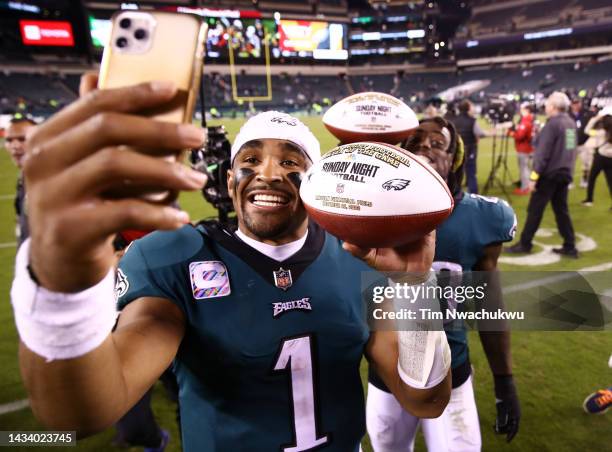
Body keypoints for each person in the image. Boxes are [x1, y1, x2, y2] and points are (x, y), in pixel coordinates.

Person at [11, 76, 451, 452]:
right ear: (228, 179)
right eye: (251, 160)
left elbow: (426, 400)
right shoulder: (177, 257)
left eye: (291, 161)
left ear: (318, 182)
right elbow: (80, 411)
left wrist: (413, 287)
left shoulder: (358, 258)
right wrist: (59, 284)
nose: (270, 174)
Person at [367, 117, 520, 451]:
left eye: (438, 143)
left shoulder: (480, 218)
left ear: (455, 160)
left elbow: (490, 308)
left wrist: (504, 380)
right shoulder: (370, 213)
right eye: (416, 142)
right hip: (386, 373)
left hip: (453, 370)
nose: (425, 147)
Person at [505, 91, 579, 258]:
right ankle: (570, 245)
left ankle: (525, 244)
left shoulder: (552, 124)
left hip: (549, 174)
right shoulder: (570, 122)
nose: (545, 107)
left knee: (535, 210)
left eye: (547, 104)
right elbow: (570, 149)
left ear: (553, 106)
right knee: (561, 211)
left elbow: (542, 154)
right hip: (564, 172)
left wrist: (533, 177)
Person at [4, 116, 37, 247]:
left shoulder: (51, 181)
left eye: (22, 139)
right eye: (9, 140)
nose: (15, 146)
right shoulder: (24, 176)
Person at [453, 100, 486, 194]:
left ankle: (455, 193)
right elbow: (480, 133)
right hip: (470, 149)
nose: (473, 108)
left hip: (457, 150)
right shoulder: (472, 120)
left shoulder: (454, 119)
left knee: (457, 172)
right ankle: (473, 194)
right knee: (471, 172)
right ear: (468, 108)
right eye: (471, 106)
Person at [581, 113, 612, 209]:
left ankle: (589, 199)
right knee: (610, 182)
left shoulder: (601, 132)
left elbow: (587, 130)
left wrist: (594, 119)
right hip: (610, 159)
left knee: (592, 178)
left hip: (600, 158)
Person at [508, 103, 534, 195]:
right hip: (530, 148)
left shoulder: (525, 121)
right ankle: (530, 186)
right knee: (529, 168)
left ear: (527, 110)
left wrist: (510, 133)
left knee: (524, 169)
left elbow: (519, 136)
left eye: (522, 109)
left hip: (524, 148)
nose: (520, 111)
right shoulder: (531, 120)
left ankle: (525, 188)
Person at [569, 99, 594, 188]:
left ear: (580, 103)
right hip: (571, 141)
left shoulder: (587, 113)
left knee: (586, 164)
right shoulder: (567, 114)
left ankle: (584, 179)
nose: (576, 105)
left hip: (584, 142)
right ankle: (569, 181)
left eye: (577, 103)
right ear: (571, 104)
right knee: (569, 164)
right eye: (574, 103)